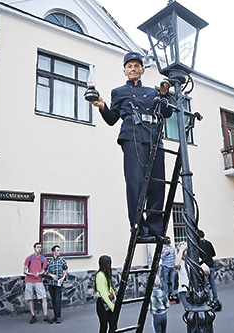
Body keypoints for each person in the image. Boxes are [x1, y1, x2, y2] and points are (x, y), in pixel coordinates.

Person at [92, 52, 173, 244]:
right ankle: (139, 226)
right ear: (125, 71)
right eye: (130, 66)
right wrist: (103, 106)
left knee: (157, 183)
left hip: (153, 137)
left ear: (142, 70)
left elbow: (166, 113)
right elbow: (112, 119)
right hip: (131, 136)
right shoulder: (118, 92)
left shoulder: (153, 92)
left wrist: (164, 95)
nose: (133, 69)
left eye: (137, 66)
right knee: (135, 183)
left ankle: (155, 229)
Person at [23, 242, 50, 324]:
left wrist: (39, 274)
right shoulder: (29, 258)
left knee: (43, 297)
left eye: (40, 247)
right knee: (30, 298)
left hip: (38, 280)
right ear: (34, 248)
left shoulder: (43, 259)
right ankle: (33, 316)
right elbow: (24, 271)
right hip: (29, 281)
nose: (39, 249)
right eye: (38, 247)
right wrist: (31, 274)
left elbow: (44, 270)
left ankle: (45, 316)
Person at [45, 245, 68, 324]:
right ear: (53, 252)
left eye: (59, 250)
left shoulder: (62, 260)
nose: (59, 252)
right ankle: (55, 315)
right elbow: (46, 272)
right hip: (51, 283)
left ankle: (58, 316)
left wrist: (63, 278)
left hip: (59, 283)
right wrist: (52, 275)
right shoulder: (50, 261)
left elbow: (65, 269)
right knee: (53, 300)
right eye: (57, 250)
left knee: (58, 300)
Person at [197, 230, 220, 309]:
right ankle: (215, 299)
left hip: (204, 266)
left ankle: (208, 300)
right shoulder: (209, 243)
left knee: (206, 284)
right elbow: (213, 254)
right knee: (212, 283)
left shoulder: (198, 245)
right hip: (211, 264)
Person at [95, 255, 116, 333]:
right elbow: (103, 293)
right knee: (104, 326)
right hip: (102, 303)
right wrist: (112, 306)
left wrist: (115, 301)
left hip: (110, 301)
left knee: (113, 325)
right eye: (109, 263)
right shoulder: (100, 275)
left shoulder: (107, 274)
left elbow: (111, 289)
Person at [174, 242, 190, 309]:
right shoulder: (181, 262)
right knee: (189, 311)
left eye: (186, 250)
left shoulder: (192, 261)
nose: (185, 252)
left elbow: (207, 270)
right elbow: (176, 265)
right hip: (184, 291)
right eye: (184, 251)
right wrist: (181, 250)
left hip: (195, 291)